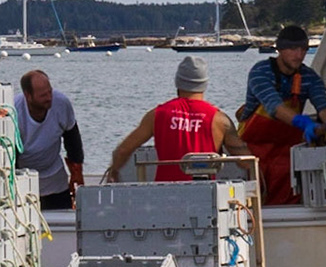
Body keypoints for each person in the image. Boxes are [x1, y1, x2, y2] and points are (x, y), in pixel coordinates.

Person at [104, 56, 251, 185]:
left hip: (166, 194)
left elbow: (123, 150)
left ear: (178, 82)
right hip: (206, 196)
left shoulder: (157, 114)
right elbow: (245, 162)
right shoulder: (220, 120)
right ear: (204, 85)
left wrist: (114, 171)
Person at [240, 24, 326, 206]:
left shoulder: (310, 77)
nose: (299, 55)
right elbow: (274, 107)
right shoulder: (260, 72)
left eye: (303, 49)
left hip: (286, 153)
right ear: (280, 49)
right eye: (293, 49)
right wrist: (305, 123)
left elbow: (323, 106)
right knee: (252, 199)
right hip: (252, 149)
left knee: (288, 196)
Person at [12, 69, 85, 211]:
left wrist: (77, 172)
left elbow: (72, 139)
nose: (49, 98)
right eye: (43, 95)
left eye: (49, 92)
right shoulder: (15, 112)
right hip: (23, 178)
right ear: (28, 96)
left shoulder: (61, 103)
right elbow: (10, 156)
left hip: (54, 176)